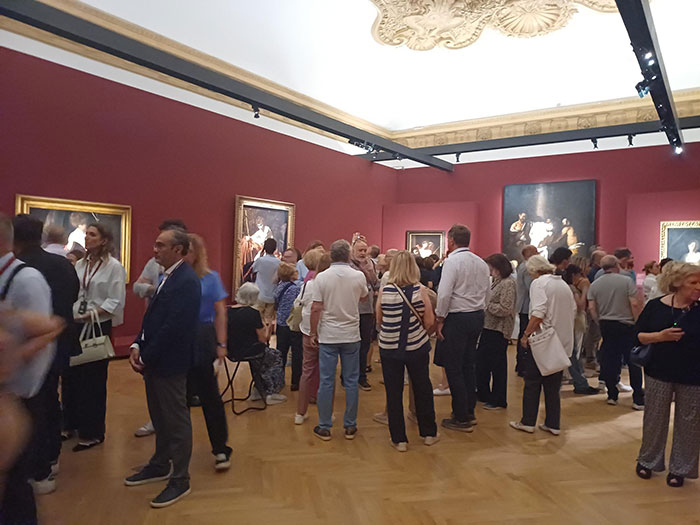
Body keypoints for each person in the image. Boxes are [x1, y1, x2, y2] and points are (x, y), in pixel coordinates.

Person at [125, 228, 200, 508]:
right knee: (159, 417)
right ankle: (159, 464)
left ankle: (180, 478)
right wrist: (137, 344)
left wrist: (147, 355)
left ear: (178, 250)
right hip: (156, 360)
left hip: (170, 362)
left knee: (176, 420)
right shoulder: (168, 276)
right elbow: (153, 318)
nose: (154, 249)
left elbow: (175, 327)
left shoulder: (186, 281)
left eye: (161, 245)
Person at [12, 215, 80, 494]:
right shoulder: (62, 265)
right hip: (60, 342)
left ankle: (37, 465)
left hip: (33, 347)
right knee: (50, 400)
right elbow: (73, 297)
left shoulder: (21, 268)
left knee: (33, 406)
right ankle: (51, 458)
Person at [0, 214, 58, 524]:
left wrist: (21, 384)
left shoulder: (26, 278)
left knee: (14, 485)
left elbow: (48, 330)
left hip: (14, 396)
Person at [634, 262, 700, 487]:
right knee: (655, 418)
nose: (698, 287)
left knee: (689, 423)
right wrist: (660, 337)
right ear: (677, 283)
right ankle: (648, 461)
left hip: (693, 374)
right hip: (658, 371)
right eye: (693, 282)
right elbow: (637, 336)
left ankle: (681, 469)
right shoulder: (656, 306)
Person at [62, 223, 126, 452]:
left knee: (92, 380)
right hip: (76, 323)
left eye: (92, 234)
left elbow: (115, 300)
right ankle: (70, 423)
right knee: (70, 376)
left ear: (104, 240)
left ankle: (92, 432)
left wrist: (91, 314)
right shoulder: (80, 264)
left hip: (97, 325)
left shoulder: (114, 267)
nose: (87, 238)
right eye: (86, 234)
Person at [376, 251, 439, 451]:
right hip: (416, 346)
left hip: (389, 347)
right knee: (422, 388)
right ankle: (428, 433)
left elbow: (379, 319)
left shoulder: (385, 290)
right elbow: (429, 321)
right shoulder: (421, 291)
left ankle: (399, 439)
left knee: (393, 392)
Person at [309, 239, 368, 441]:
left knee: (326, 381)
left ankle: (324, 425)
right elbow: (364, 297)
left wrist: (313, 332)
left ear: (332, 255)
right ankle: (350, 425)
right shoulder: (358, 275)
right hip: (351, 333)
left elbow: (316, 308)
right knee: (351, 381)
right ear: (348, 255)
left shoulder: (322, 277)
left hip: (329, 334)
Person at [133, 219, 187, 438]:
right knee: (155, 386)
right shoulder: (153, 264)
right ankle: (157, 422)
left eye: (162, 244)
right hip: (154, 328)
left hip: (176, 337)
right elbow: (137, 286)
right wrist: (156, 290)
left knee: (173, 390)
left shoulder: (187, 273)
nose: (156, 249)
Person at [510, 255, 576, 435]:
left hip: (544, 340)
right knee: (553, 386)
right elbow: (572, 310)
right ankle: (553, 423)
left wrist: (526, 334)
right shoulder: (563, 284)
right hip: (562, 341)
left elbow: (538, 312)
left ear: (533, 270)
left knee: (532, 381)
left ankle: (528, 421)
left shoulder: (539, 284)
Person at [434, 224, 490, 432]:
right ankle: (469, 410)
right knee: (468, 365)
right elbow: (487, 291)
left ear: (450, 241)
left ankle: (461, 416)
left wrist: (440, 317)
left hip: (457, 317)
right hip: (476, 315)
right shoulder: (480, 262)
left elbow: (444, 293)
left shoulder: (452, 262)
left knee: (453, 366)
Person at [183, 233, 232, 471]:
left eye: (189, 250)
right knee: (179, 397)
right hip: (177, 338)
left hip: (202, 338)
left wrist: (221, 344)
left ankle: (220, 447)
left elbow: (220, 312)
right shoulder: (169, 277)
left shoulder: (210, 278)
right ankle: (178, 450)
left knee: (209, 395)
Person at [587, 255, 644, 409]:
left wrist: (599, 321)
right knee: (633, 361)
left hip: (606, 324)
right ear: (616, 265)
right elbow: (634, 303)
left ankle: (612, 395)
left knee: (610, 360)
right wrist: (638, 322)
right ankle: (637, 398)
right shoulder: (626, 281)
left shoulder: (595, 285)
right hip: (626, 324)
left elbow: (592, 307)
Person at [228, 283, 287, 405]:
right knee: (276, 355)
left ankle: (258, 390)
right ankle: (270, 392)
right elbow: (263, 339)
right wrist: (268, 327)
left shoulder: (228, 312)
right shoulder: (253, 313)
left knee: (259, 361)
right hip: (251, 350)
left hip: (232, 351)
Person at [294, 250, 330, 424]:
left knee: (306, 371)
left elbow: (300, 303)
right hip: (327, 333)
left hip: (308, 331)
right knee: (327, 374)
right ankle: (327, 415)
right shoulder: (331, 285)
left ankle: (300, 413)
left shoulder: (308, 284)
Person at [476, 253, 516, 410]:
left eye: (491, 268)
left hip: (499, 329)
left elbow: (506, 308)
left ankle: (498, 399)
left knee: (497, 365)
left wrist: (486, 305)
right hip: (489, 327)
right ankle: (484, 393)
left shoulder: (508, 283)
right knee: (483, 363)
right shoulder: (497, 282)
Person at [562, 264, 599, 395]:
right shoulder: (572, 288)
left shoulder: (564, 287)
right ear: (574, 275)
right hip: (574, 322)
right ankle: (579, 381)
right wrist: (585, 291)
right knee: (574, 351)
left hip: (567, 322)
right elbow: (581, 306)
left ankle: (577, 379)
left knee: (572, 352)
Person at [349, 234, 379, 391]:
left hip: (367, 309)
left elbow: (376, 284)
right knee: (351, 345)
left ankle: (362, 376)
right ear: (352, 251)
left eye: (364, 250)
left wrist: (370, 272)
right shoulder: (348, 265)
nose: (362, 253)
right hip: (351, 309)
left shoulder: (371, 264)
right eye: (359, 250)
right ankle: (347, 376)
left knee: (365, 344)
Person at [274, 262, 302, 389]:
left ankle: (279, 380)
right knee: (296, 353)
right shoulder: (295, 289)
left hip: (281, 323)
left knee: (281, 353)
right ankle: (296, 382)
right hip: (293, 323)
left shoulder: (279, 287)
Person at [515, 245, 538, 376]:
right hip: (526, 306)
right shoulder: (528, 268)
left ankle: (521, 364)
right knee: (525, 334)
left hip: (524, 305)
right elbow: (532, 286)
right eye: (535, 252)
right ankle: (523, 365)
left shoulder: (523, 266)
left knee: (523, 334)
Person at [251, 238, 281, 334]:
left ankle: (258, 336)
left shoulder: (260, 260)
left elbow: (252, 271)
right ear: (275, 249)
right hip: (272, 294)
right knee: (269, 319)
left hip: (260, 293)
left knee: (257, 318)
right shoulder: (278, 262)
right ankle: (267, 336)